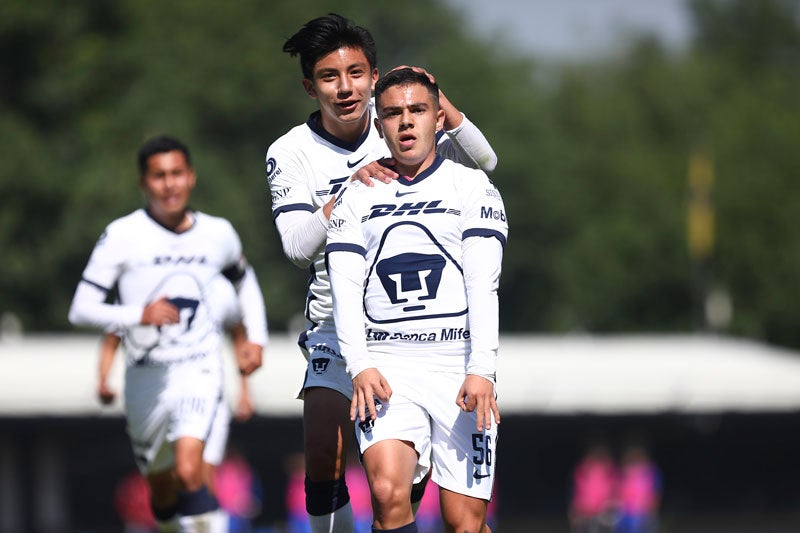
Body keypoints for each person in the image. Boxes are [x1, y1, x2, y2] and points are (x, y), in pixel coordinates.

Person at [265, 13, 498, 533]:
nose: (344, 88)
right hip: (336, 323)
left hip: (423, 331)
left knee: (430, 505)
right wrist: (350, 188)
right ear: (310, 86)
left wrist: (439, 100)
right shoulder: (288, 152)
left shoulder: (402, 119)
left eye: (356, 74)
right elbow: (298, 247)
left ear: (373, 77)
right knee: (325, 446)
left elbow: (485, 163)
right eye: (329, 77)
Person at [326, 68, 507, 533]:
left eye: (417, 110)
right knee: (387, 495)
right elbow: (343, 286)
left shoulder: (473, 188)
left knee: (463, 523)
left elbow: (483, 283)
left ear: (438, 118)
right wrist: (359, 364)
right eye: (392, 113)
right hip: (386, 367)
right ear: (378, 123)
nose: (405, 122)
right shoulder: (356, 197)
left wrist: (482, 369)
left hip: (457, 366)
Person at [69, 135, 268, 532]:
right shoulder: (122, 235)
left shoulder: (218, 233)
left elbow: (245, 282)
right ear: (144, 184)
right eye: (159, 176)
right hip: (147, 376)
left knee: (192, 468)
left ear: (191, 177)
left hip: (199, 370)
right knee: (162, 488)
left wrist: (256, 338)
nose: (169, 184)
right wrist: (139, 313)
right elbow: (80, 309)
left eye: (177, 173)